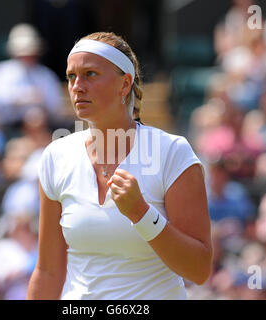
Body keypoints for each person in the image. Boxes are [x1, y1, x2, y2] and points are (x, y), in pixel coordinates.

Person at [27, 32, 212, 300]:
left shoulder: (172, 152)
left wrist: (141, 213)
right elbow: (48, 272)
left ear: (125, 84)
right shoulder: (56, 156)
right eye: (71, 76)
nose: (77, 86)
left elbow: (198, 269)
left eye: (90, 74)